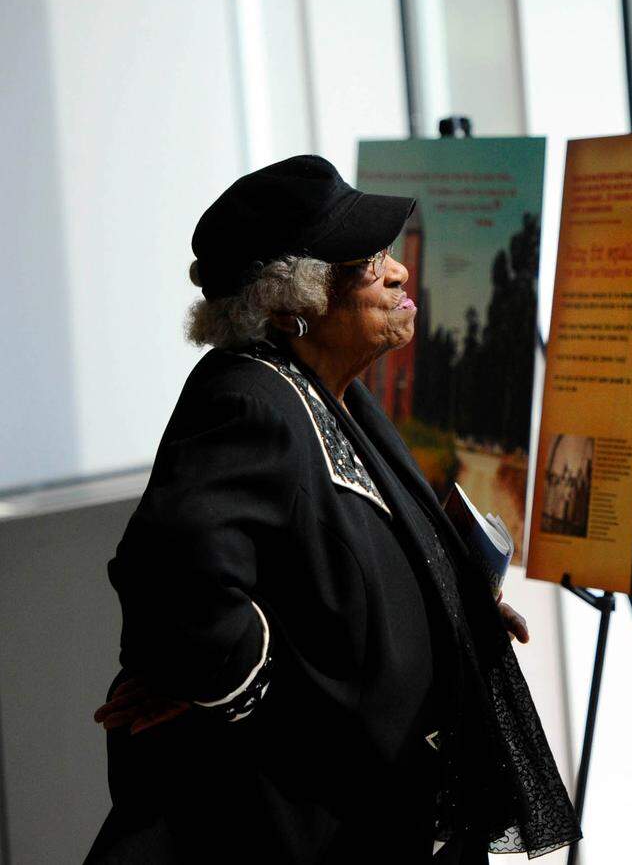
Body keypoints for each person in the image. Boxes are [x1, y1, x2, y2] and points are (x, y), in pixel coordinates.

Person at [86, 156, 579, 864]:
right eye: (365, 260)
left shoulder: (328, 392)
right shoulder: (247, 399)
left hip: (383, 817)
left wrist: (451, 610)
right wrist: (237, 685)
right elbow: (174, 577)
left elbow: (344, 567)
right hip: (301, 833)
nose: (398, 271)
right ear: (296, 301)